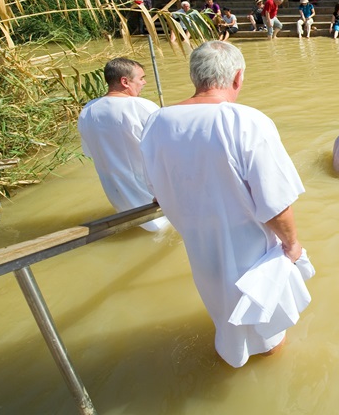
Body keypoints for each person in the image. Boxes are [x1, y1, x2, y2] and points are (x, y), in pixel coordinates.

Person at [140, 41, 310, 368]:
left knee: (224, 316)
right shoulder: (244, 121)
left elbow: (156, 190)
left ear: (194, 77)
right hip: (252, 253)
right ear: (237, 78)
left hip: (200, 247)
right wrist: (292, 244)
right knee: (268, 333)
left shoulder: (157, 122)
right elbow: (275, 202)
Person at [77, 58, 169, 233]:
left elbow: (90, 152)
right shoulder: (140, 106)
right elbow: (169, 150)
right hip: (153, 198)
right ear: (125, 81)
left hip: (118, 198)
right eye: (141, 78)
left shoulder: (88, 111)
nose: (144, 82)